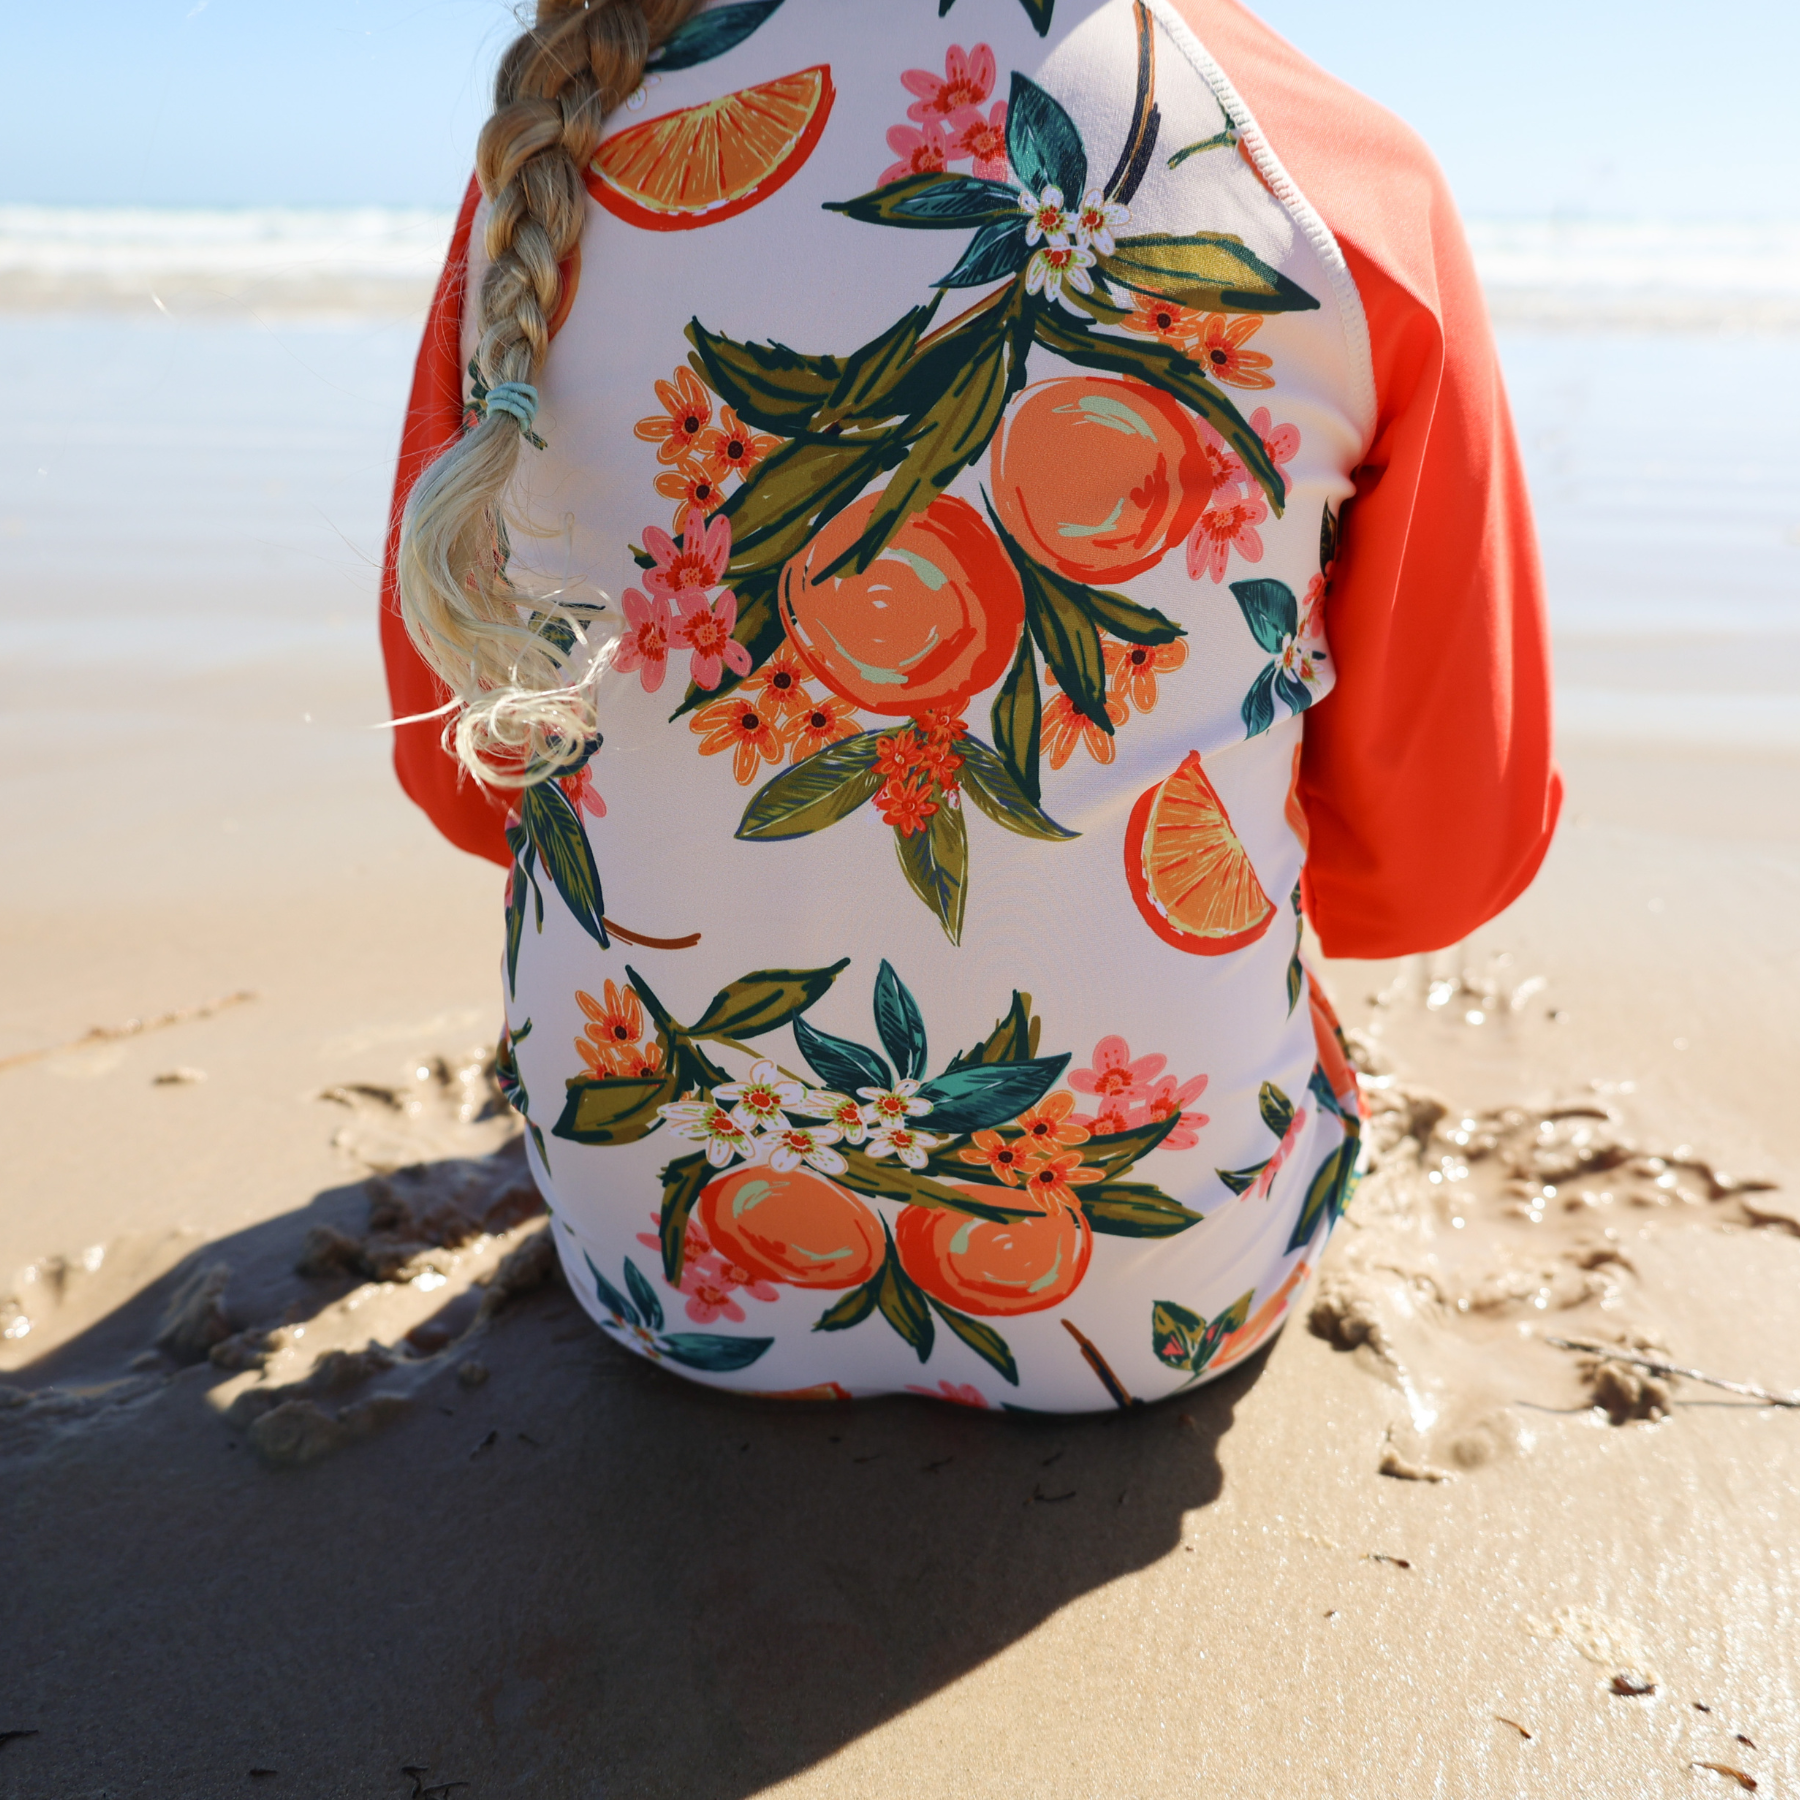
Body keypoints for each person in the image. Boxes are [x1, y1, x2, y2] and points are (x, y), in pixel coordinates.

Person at [380, 0, 1558, 1410]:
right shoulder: (1322, 175)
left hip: (657, 1265)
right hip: (1163, 1297)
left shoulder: (551, 165)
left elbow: (466, 777)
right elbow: (1444, 858)